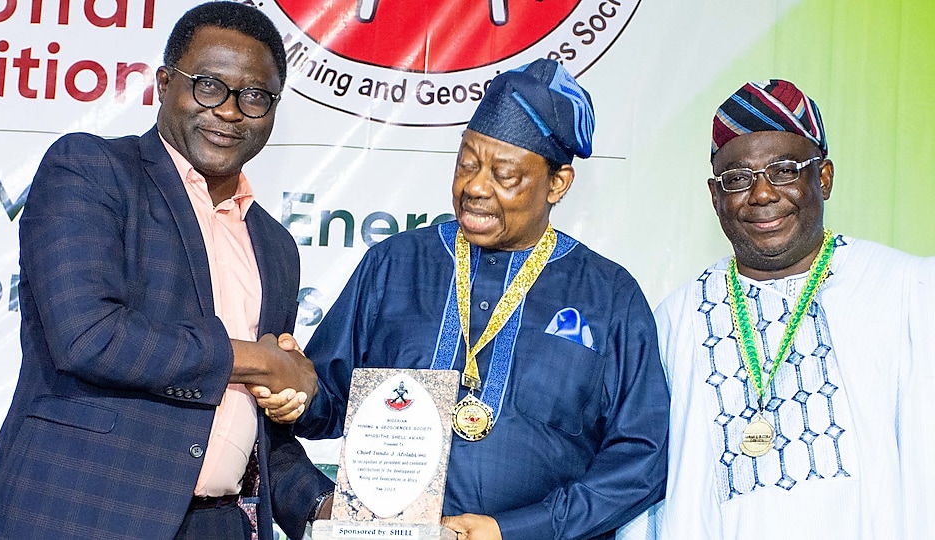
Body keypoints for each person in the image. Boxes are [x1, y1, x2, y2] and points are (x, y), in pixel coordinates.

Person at [0, 3, 331, 539]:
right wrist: (263, 362)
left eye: (255, 96)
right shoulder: (91, 170)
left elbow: (249, 423)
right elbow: (89, 337)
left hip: (216, 525)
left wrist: (328, 509)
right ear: (165, 84)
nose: (231, 111)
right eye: (209, 85)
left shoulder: (275, 246)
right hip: (78, 515)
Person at [290, 59, 670, 540]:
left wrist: (520, 530)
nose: (474, 187)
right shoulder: (394, 265)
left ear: (558, 184)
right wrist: (291, 390)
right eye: (467, 163)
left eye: (504, 174)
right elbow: (328, 403)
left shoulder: (610, 296)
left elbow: (642, 458)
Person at [653, 79, 935, 539]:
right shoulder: (674, 321)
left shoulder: (908, 291)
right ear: (714, 196)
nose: (761, 195)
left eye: (784, 170)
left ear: (822, 177)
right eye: (737, 179)